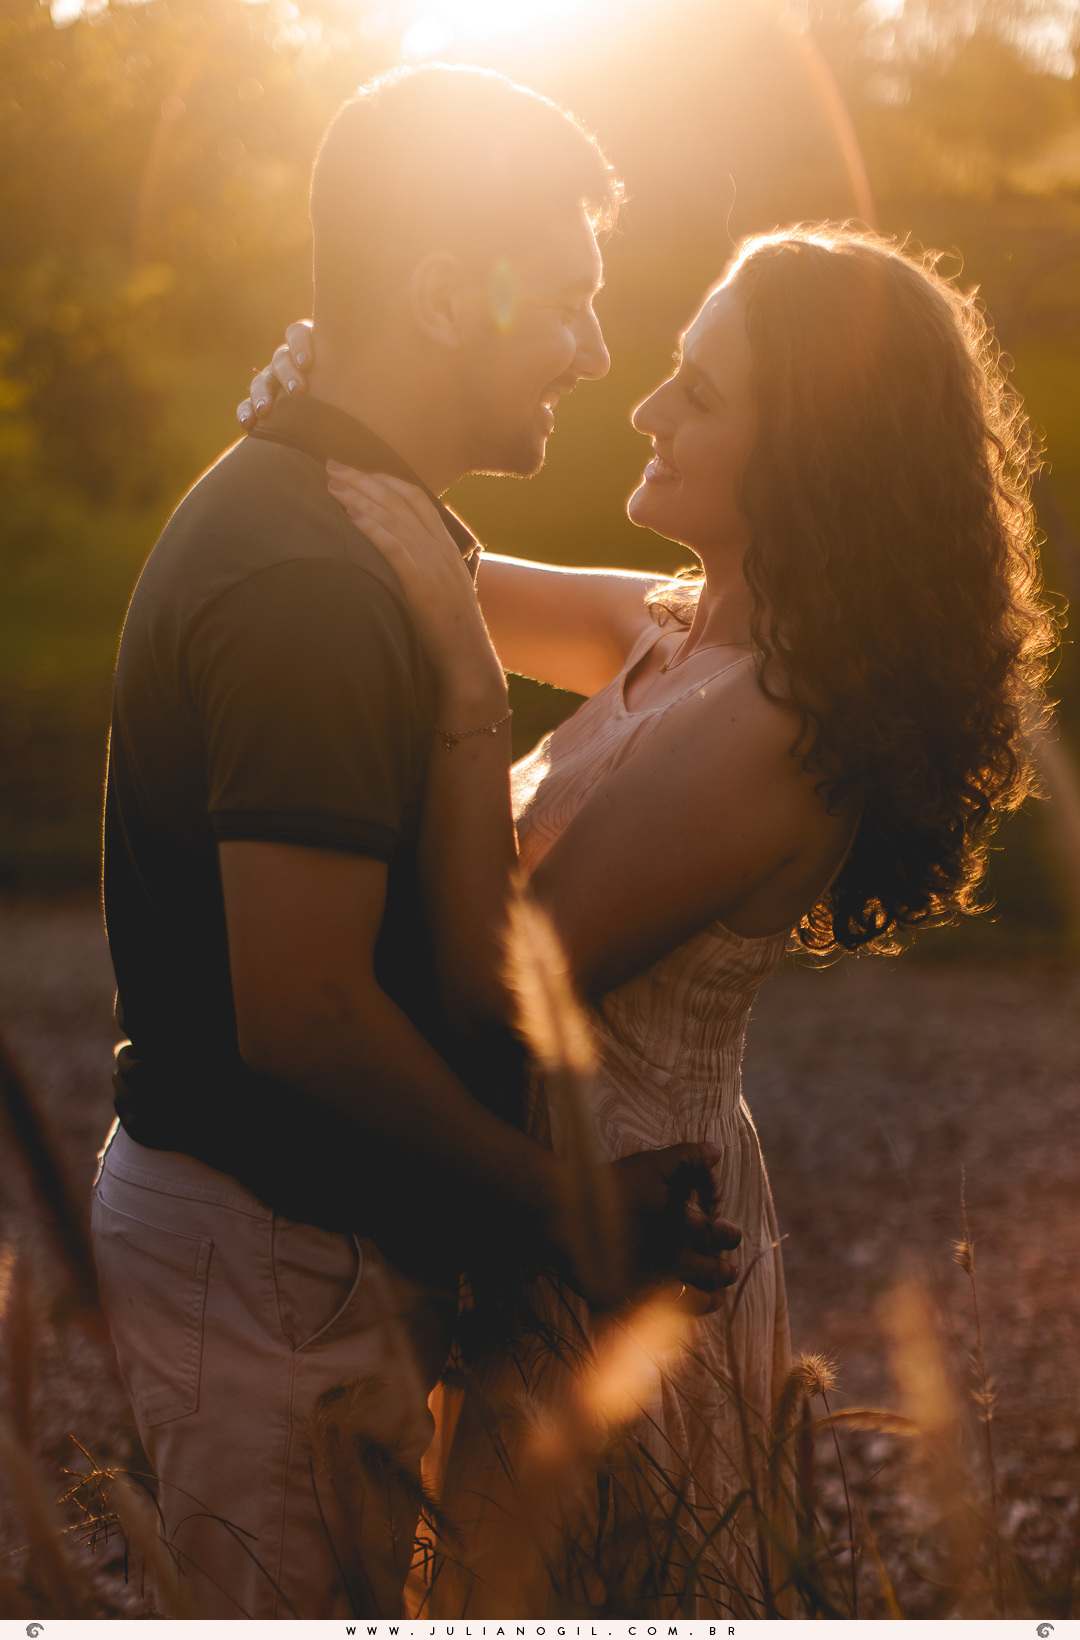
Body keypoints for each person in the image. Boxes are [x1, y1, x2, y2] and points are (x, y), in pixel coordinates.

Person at [248, 223, 1055, 1614]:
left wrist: (460, 695)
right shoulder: (673, 629)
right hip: (541, 1182)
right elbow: (420, 573)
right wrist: (324, 427)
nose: (645, 408)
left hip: (623, 1220)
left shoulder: (779, 728)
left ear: (812, 455)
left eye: (699, 389)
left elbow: (511, 977)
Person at [90, 63, 742, 1622]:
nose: (594, 349)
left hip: (303, 1251)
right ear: (449, 293)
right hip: (267, 1257)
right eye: (569, 298)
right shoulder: (308, 574)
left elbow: (635, 638)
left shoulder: (369, 515)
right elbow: (305, 1015)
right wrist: (559, 1205)